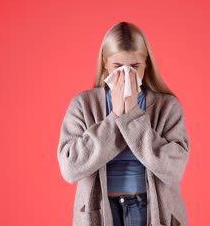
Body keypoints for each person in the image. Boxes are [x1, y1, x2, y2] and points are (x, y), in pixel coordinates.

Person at [57, 21, 190, 226]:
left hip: (149, 209)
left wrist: (133, 116)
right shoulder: (83, 105)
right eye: (118, 67)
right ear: (105, 64)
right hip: (100, 211)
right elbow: (70, 167)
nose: (127, 75)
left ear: (146, 64)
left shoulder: (167, 106)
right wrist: (115, 117)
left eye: (135, 67)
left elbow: (173, 169)